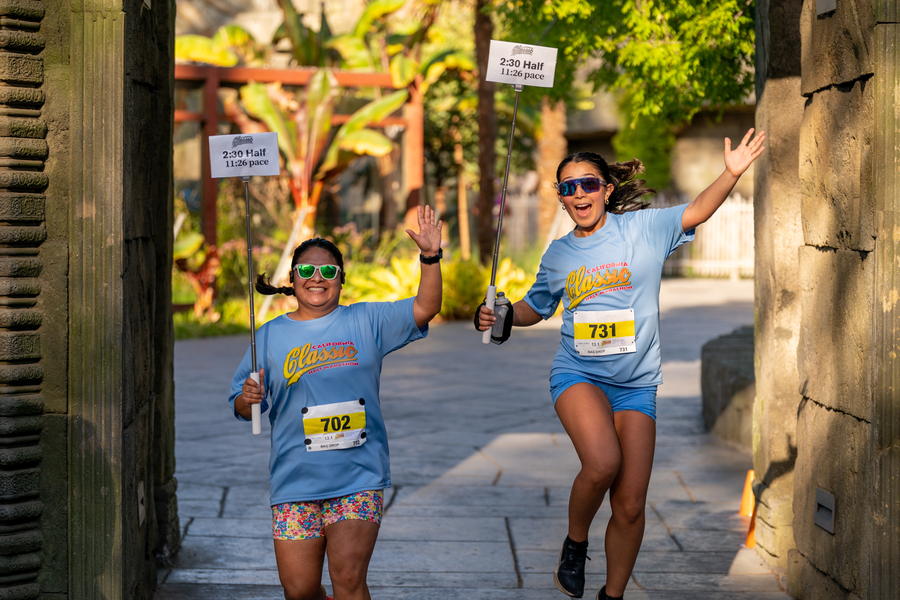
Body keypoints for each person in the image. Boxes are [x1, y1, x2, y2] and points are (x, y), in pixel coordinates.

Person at [476, 129, 765, 600]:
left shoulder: (645, 230)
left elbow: (697, 211)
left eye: (588, 183)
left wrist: (730, 173)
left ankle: (613, 595)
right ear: (563, 200)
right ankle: (575, 543)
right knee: (603, 462)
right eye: (568, 188)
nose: (579, 194)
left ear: (607, 189)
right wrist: (504, 315)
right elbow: (536, 306)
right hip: (579, 375)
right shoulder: (560, 254)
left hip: (636, 386)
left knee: (630, 505)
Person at [230, 206, 443, 600]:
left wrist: (430, 257)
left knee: (348, 581)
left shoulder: (367, 321)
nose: (317, 279)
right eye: (306, 271)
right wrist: (249, 397)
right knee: (299, 590)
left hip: (357, 478)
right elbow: (243, 407)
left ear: (342, 281)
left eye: (328, 272)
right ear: (290, 280)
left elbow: (424, 307)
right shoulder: (270, 336)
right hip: (295, 482)